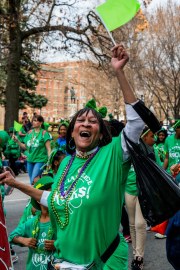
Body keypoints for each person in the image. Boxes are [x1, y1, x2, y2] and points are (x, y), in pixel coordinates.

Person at [0, 44, 145, 270]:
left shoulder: (113, 154)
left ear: (101, 132)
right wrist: (15, 183)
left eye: (93, 121)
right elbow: (55, 200)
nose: (86, 123)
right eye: (80, 120)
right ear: (72, 130)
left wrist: (119, 72)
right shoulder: (66, 163)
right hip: (64, 264)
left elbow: (136, 123)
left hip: (103, 262)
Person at [9, 176, 56, 270]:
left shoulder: (60, 221)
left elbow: (73, 242)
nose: (51, 198)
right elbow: (11, 236)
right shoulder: (32, 222)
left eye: (53, 194)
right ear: (38, 199)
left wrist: (57, 244)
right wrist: (24, 240)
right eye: (47, 195)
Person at [125, 127, 155, 270]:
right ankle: (135, 253)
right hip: (128, 189)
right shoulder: (127, 148)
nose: (153, 139)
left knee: (140, 224)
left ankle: (139, 257)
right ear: (143, 137)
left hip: (144, 192)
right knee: (131, 224)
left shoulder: (150, 151)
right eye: (151, 136)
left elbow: (158, 170)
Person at [13, 115, 52, 185]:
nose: (34, 122)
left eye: (36, 121)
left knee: (34, 179)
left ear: (41, 122)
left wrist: (49, 161)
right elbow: (25, 147)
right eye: (33, 120)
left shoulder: (44, 133)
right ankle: (38, 193)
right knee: (32, 181)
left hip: (40, 160)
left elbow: (49, 149)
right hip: (30, 160)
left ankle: (36, 194)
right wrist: (17, 141)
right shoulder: (30, 133)